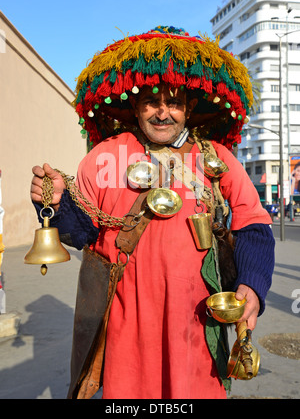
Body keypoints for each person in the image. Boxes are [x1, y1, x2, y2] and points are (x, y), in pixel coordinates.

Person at [30, 26, 275, 400]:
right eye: (151, 101)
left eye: (174, 102)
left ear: (189, 108)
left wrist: (253, 284)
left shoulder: (218, 160)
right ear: (136, 106)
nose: (163, 112)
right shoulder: (103, 156)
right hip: (126, 326)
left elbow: (253, 225)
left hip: (195, 324)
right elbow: (81, 232)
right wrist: (56, 203)